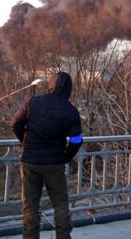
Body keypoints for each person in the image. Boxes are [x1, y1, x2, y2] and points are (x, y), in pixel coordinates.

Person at [10, 72, 83, 239]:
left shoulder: (34, 102)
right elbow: (77, 140)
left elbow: (14, 124)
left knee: (30, 206)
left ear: (50, 85)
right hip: (54, 163)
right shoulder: (71, 111)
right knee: (61, 205)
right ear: (68, 89)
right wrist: (65, 157)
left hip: (30, 162)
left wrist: (25, 141)